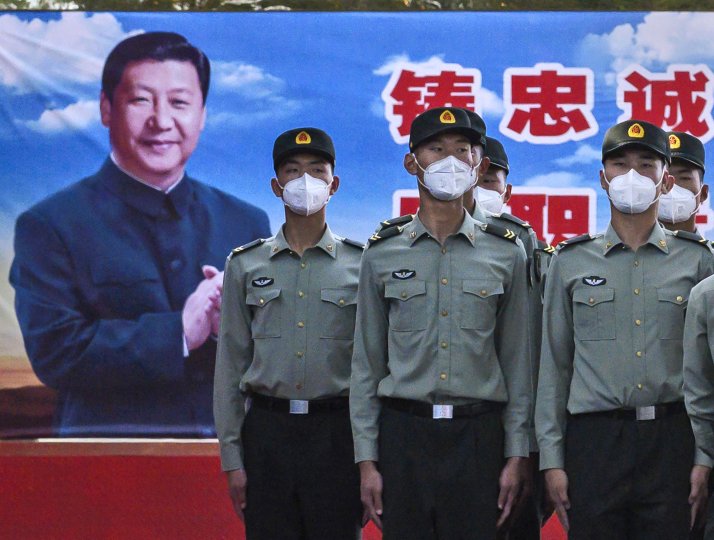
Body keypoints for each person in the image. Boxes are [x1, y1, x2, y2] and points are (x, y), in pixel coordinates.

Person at [9, 32, 270, 437]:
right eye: (141, 100)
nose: (161, 122)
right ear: (106, 108)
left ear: (202, 114)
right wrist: (180, 331)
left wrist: (231, 328)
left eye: (180, 103)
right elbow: (55, 354)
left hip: (226, 464)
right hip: (104, 463)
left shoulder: (246, 223)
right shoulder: (50, 225)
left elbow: (272, 357)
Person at [351, 106, 532, 539]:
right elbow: (366, 365)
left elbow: (518, 363)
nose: (449, 161)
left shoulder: (507, 252)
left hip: (479, 437)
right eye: (436, 149)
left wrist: (517, 453)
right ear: (412, 162)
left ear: (479, 164)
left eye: (462, 150)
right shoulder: (381, 253)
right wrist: (367, 461)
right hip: (404, 436)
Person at [536, 119, 714, 539]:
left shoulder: (698, 261)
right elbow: (554, 367)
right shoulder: (570, 261)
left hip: (673, 440)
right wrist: (552, 459)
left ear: (665, 180)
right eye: (619, 164)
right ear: (602, 178)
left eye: (646, 164)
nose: (631, 175)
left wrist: (704, 456)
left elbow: (709, 374)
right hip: (595, 442)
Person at [214, 127, 363, 539]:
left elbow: (373, 367)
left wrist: (370, 456)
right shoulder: (245, 265)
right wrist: (232, 458)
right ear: (277, 186)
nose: (305, 183)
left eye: (317, 172)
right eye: (293, 172)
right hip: (267, 435)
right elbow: (230, 367)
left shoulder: (362, 264)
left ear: (333, 185)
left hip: (337, 435)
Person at [462, 131, 542, 539]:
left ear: (506, 190)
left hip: (509, 413)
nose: (480, 189)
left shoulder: (523, 241)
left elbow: (532, 342)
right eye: (476, 178)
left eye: (490, 181)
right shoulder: (408, 244)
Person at [658, 131, 708, 234]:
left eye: (685, 178)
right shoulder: (622, 249)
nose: (672, 186)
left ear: (703, 193)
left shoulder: (709, 251)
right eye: (664, 177)